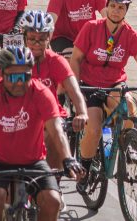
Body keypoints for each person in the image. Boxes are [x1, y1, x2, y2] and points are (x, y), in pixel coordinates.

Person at [0, 47, 83, 221]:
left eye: (25, 77)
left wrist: (68, 158)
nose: (19, 83)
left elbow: (56, 130)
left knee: (53, 201)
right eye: (13, 77)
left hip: (33, 161)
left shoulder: (41, 92)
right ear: (2, 74)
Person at [69, 0, 137, 176]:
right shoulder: (91, 28)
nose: (116, 11)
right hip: (90, 85)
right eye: (113, 6)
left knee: (129, 104)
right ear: (106, 6)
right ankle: (85, 167)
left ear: (126, 10)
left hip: (114, 84)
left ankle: (128, 143)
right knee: (94, 129)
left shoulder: (130, 34)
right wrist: (74, 86)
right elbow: (75, 58)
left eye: (121, 7)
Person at [17, 10, 89, 168]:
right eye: (31, 39)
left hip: (51, 119)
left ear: (49, 38)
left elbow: (74, 90)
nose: (36, 44)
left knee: (53, 136)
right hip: (19, 118)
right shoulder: (13, 60)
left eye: (42, 39)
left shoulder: (57, 61)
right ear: (24, 38)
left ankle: (52, 186)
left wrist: (82, 113)